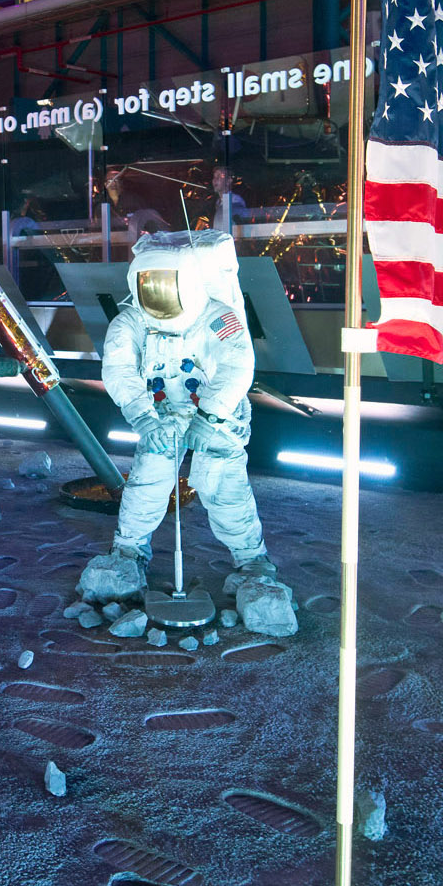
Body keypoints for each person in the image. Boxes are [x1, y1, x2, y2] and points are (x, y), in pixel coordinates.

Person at [78, 229, 273, 605]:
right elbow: (118, 370)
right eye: (149, 284)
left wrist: (210, 416)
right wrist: (144, 419)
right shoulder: (131, 321)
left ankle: (252, 561)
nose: (159, 294)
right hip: (161, 414)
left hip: (213, 414)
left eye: (169, 284)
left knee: (222, 486)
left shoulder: (218, 316)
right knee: (147, 483)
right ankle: (129, 552)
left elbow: (237, 363)